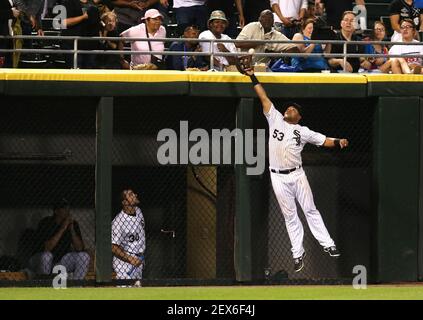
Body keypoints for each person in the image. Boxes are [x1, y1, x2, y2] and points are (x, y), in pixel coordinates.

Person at [239, 66, 347, 273]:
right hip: (277, 176)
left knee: (310, 210)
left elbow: (323, 140)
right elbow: (263, 97)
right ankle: (298, 254)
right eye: (288, 108)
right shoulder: (275, 118)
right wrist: (252, 76)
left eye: (293, 110)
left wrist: (338, 141)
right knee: (290, 216)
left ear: (299, 117)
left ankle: (327, 244)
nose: (289, 110)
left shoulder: (303, 131)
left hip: (297, 174)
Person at [27, 199, 90, 280]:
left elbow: (80, 248)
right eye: (64, 209)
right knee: (47, 256)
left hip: (60, 261)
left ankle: (76, 285)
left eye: (68, 208)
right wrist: (63, 228)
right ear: (56, 211)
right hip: (40, 260)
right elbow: (47, 248)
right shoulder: (46, 223)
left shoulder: (73, 224)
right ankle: (44, 285)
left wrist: (71, 229)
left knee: (84, 256)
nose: (67, 211)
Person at [112, 189, 146, 281]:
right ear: (125, 202)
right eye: (131, 195)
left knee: (137, 293)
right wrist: (130, 259)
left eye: (133, 193)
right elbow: (113, 247)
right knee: (124, 292)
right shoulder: (118, 221)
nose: (135, 195)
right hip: (124, 263)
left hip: (139, 260)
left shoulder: (138, 211)